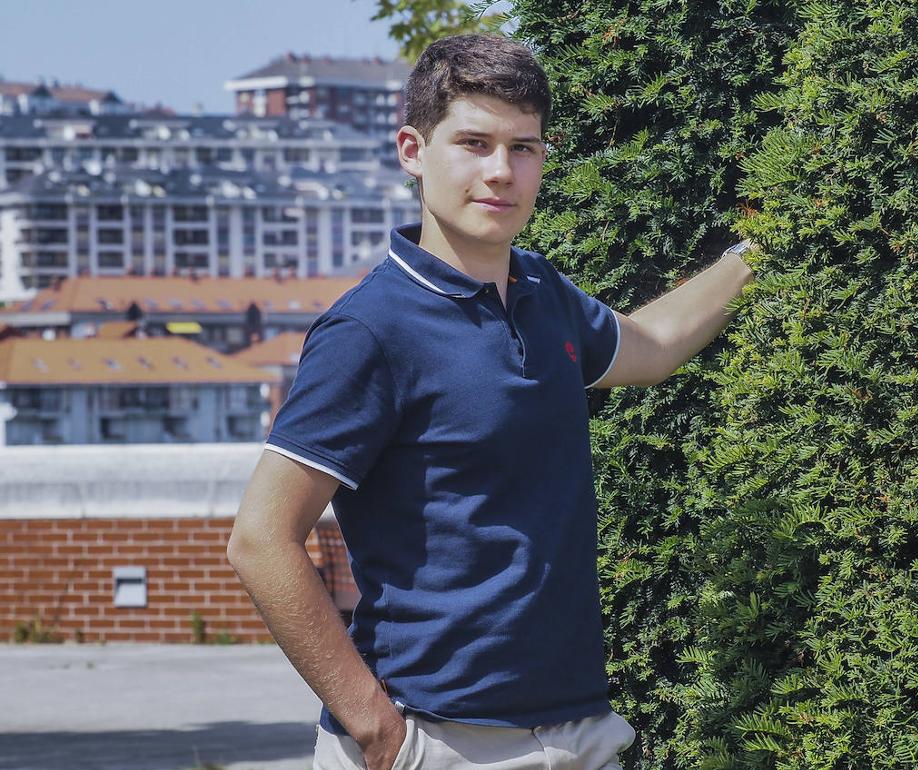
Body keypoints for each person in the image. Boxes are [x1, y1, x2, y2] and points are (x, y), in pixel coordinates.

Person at [227, 33, 755, 770]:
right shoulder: (370, 330)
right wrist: (378, 730)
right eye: (474, 143)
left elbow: (655, 347)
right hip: (436, 740)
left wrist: (756, 252)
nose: (501, 172)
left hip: (579, 733)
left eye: (523, 148)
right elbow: (260, 538)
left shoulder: (543, 294)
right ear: (413, 150)